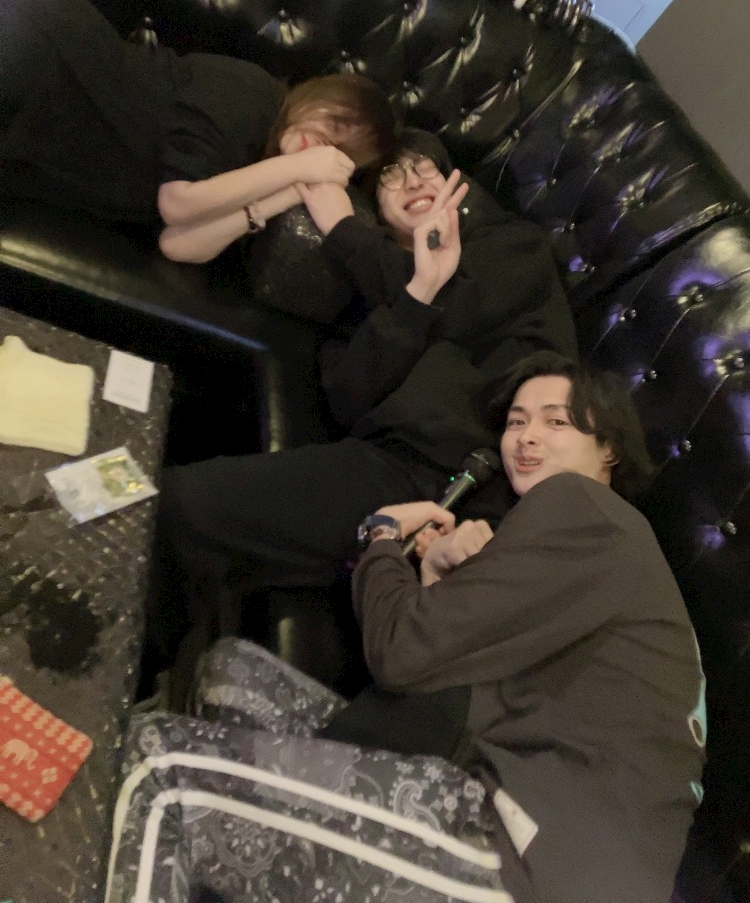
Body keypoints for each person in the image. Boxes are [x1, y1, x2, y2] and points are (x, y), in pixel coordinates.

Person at [108, 352, 704, 903]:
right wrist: (433, 576)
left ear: (609, 450)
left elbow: (402, 652)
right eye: (517, 422)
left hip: (536, 872)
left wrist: (380, 538)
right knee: (228, 672)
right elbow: (440, 668)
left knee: (159, 773)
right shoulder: (597, 550)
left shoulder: (583, 509)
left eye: (556, 422)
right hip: (483, 787)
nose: (527, 437)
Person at [150, 128, 578, 671]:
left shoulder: (512, 247)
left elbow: (459, 306)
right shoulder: (368, 290)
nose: (412, 181)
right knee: (182, 507)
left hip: (467, 477)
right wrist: (414, 295)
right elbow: (348, 397)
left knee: (182, 507)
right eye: (391, 177)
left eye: (425, 167)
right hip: (389, 464)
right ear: (375, 207)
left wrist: (344, 230)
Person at [0, 0, 395, 260]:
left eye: (340, 151)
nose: (324, 145)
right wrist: (301, 166)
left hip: (44, 134)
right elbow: (176, 204)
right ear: (320, 95)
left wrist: (291, 190)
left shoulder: (267, 171)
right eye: (335, 124)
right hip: (46, 59)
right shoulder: (255, 93)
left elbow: (178, 245)